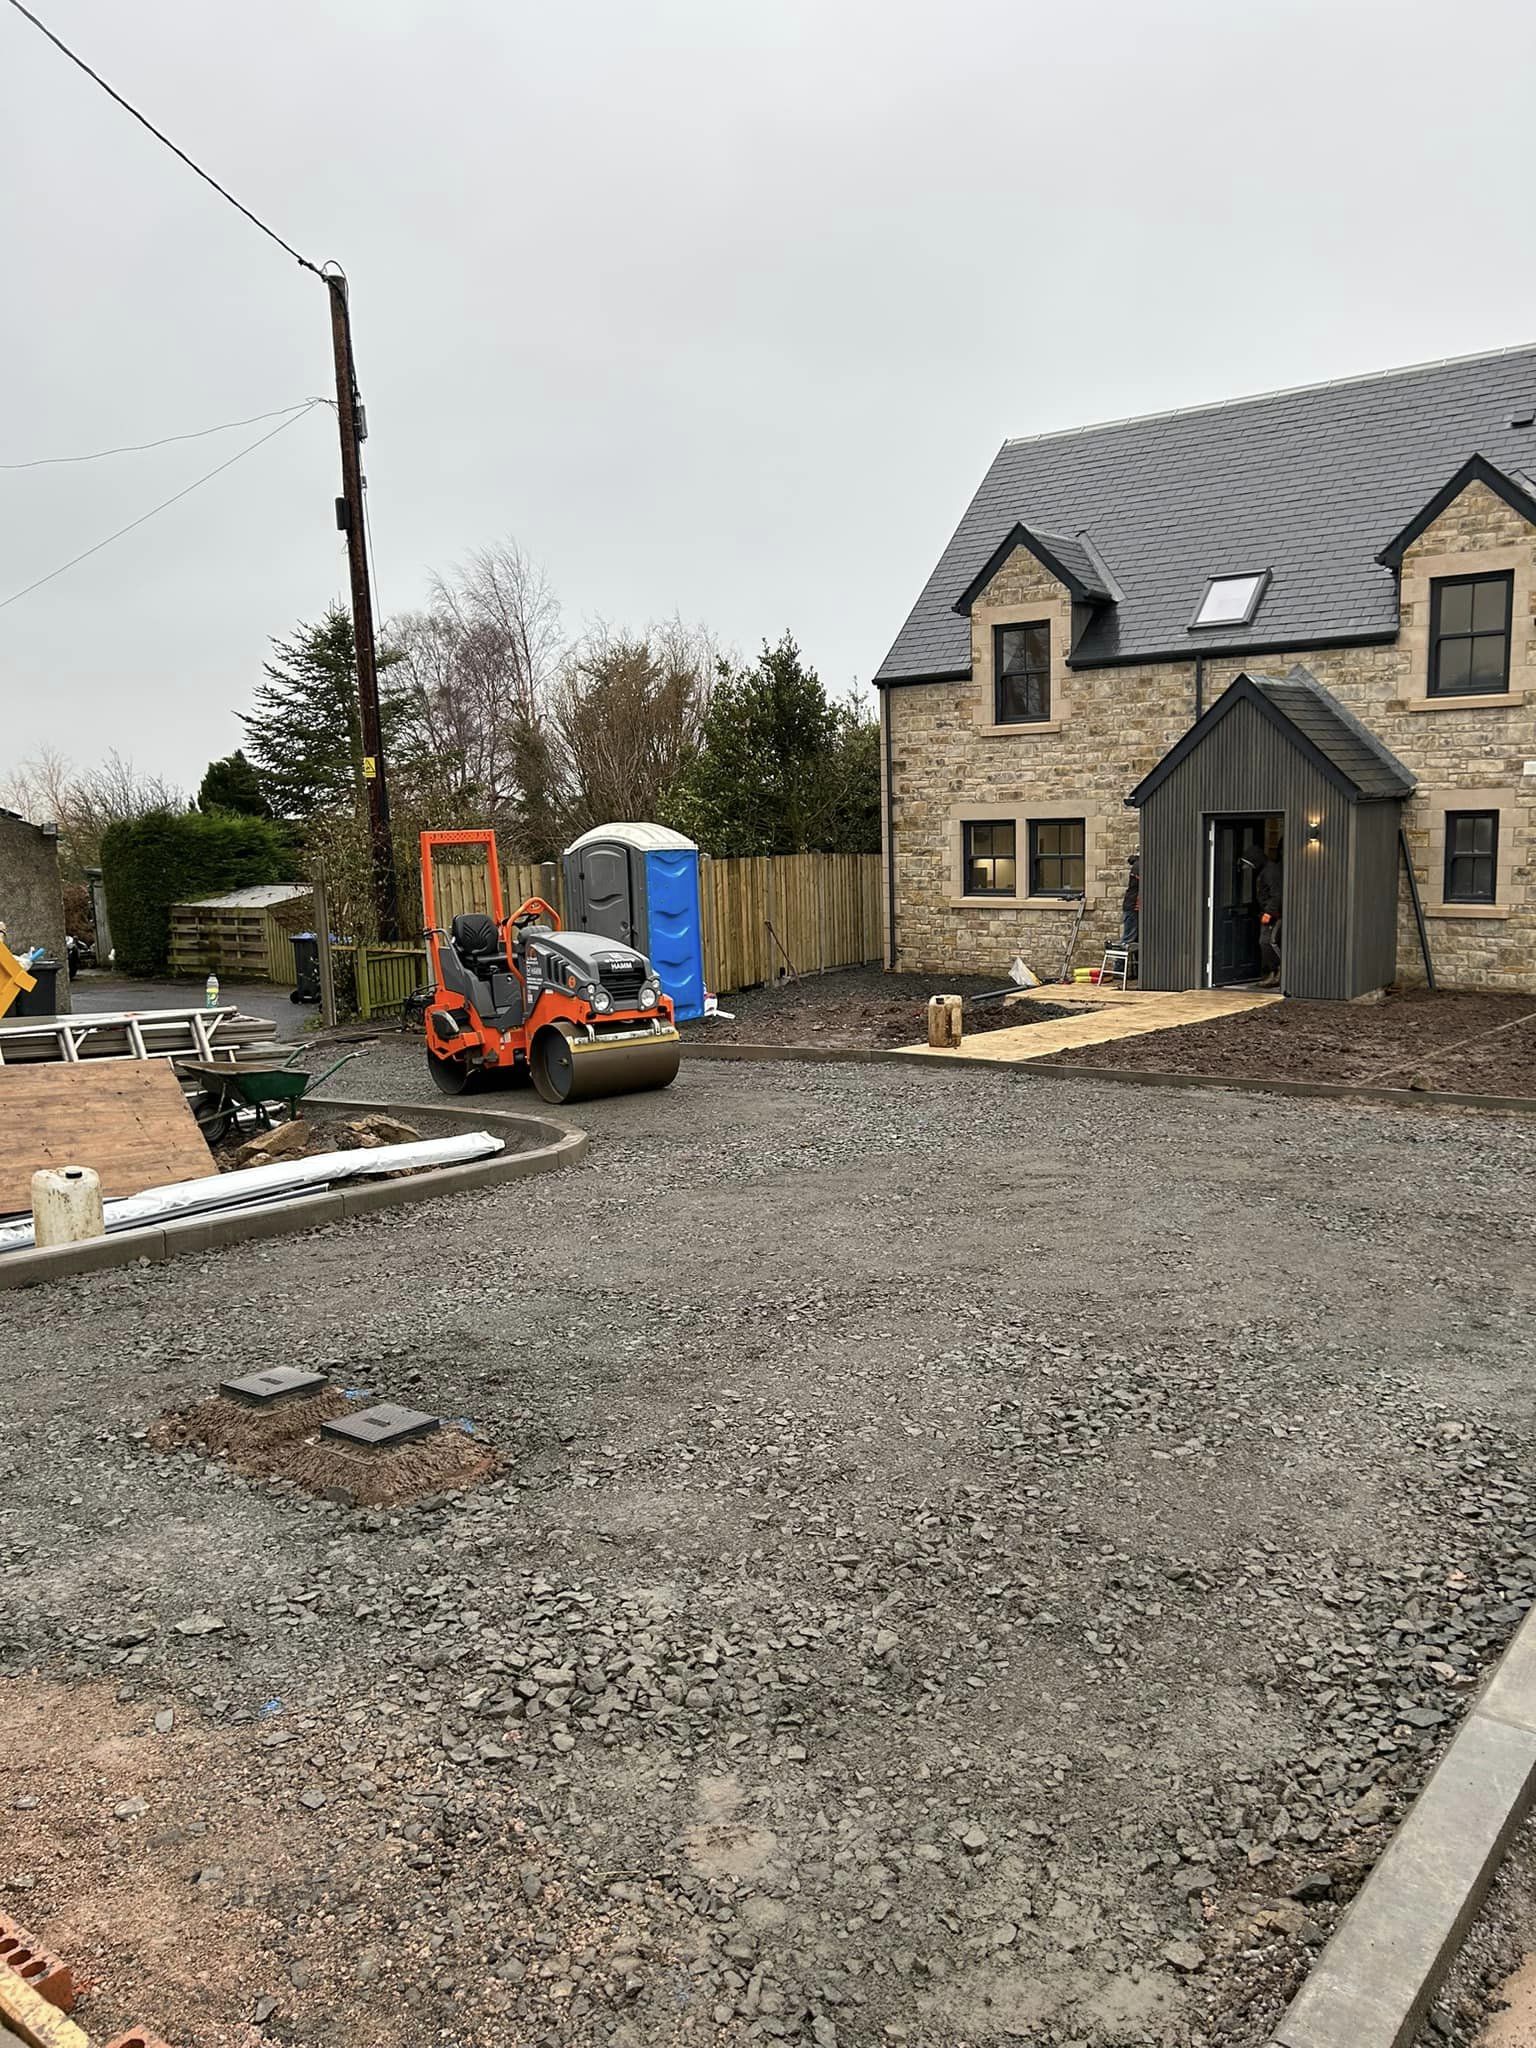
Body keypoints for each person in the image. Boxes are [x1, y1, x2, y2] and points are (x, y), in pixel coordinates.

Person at [1257, 841, 1283, 986]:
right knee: (1266, 943)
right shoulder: (1265, 870)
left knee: (1269, 942)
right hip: (1268, 913)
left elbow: (1276, 894)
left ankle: (1279, 971)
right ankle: (1272, 973)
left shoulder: (1270, 871)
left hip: (1274, 916)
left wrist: (1269, 912)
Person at [1120, 853, 1140, 951]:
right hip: (1133, 907)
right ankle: (1119, 966)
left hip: (1132, 907)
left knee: (1134, 940)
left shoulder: (1137, 865)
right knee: (1128, 941)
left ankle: (1132, 966)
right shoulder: (1139, 866)